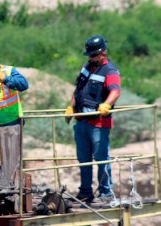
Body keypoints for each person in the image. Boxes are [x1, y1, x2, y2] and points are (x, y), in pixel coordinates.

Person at [65, 35, 121, 203]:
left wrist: (107, 105)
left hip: (98, 124)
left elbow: (115, 91)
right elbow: (79, 89)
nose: (90, 58)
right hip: (81, 121)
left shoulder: (110, 71)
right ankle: (85, 192)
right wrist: (70, 107)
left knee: (101, 158)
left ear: (102, 53)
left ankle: (105, 192)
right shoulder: (87, 67)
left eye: (93, 55)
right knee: (83, 160)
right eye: (88, 55)